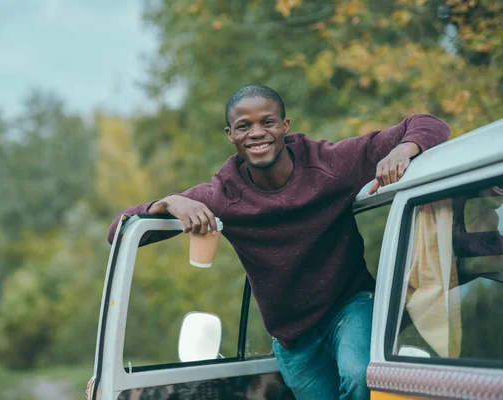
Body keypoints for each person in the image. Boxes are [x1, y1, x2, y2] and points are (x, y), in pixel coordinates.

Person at [107, 84, 450, 399]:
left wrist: (403, 150)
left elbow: (428, 124)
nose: (257, 133)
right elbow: (118, 233)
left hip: (349, 305)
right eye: (244, 126)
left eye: (267, 122)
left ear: (285, 126)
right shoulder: (223, 195)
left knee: (359, 376)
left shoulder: (331, 164)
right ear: (231, 135)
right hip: (291, 337)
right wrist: (167, 202)